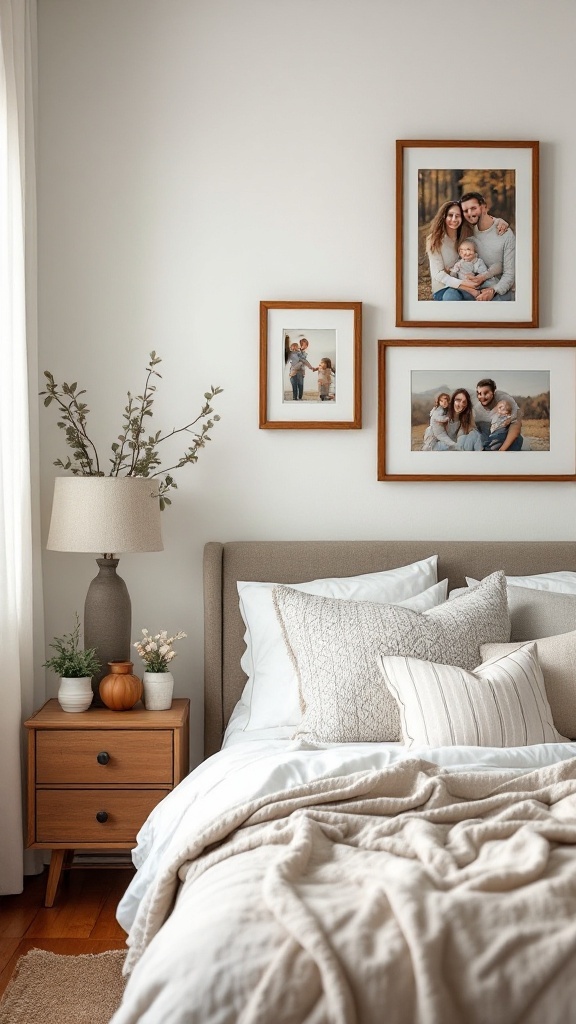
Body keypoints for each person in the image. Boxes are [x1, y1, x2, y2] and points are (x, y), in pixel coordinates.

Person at [460, 192, 515, 301]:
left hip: (502, 289)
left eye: (473, 208)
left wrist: (493, 291)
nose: (469, 213)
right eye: (466, 211)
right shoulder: (468, 233)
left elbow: (509, 274)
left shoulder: (505, 233)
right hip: (476, 288)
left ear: (484, 207)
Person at [473, 378, 523, 450]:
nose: (482, 397)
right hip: (487, 437)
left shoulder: (504, 400)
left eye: (486, 393)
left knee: (518, 439)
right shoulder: (477, 409)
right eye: (479, 393)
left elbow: (516, 424)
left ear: (493, 392)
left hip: (503, 435)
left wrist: (502, 450)